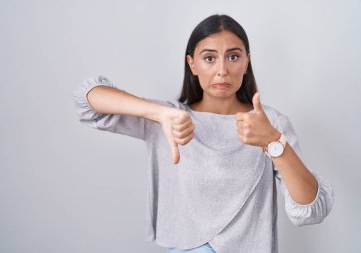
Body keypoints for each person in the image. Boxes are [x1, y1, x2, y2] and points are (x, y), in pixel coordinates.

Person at [73, 14, 334, 253]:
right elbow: (88, 99)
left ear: (247, 62)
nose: (222, 70)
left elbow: (311, 210)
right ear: (192, 64)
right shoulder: (169, 118)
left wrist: (274, 142)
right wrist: (158, 113)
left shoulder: (270, 122)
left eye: (233, 57)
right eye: (209, 58)